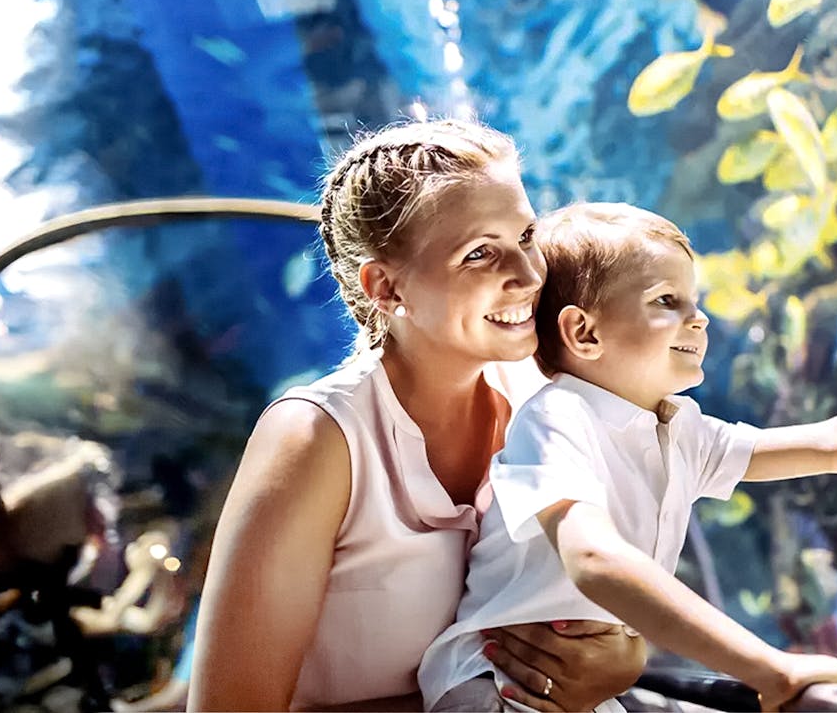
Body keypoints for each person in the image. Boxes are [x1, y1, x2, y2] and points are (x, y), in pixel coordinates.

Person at [420, 203, 837, 712]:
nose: (701, 319)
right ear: (585, 332)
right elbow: (594, 559)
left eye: (696, 300)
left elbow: (833, 444)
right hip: (492, 688)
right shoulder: (559, 418)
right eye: (668, 301)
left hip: (575, 691)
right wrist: (766, 667)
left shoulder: (679, 430)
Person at [187, 120, 648, 712]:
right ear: (386, 287)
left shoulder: (551, 399)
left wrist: (621, 658)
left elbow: (605, 594)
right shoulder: (318, 440)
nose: (530, 275)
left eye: (526, 235)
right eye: (480, 253)